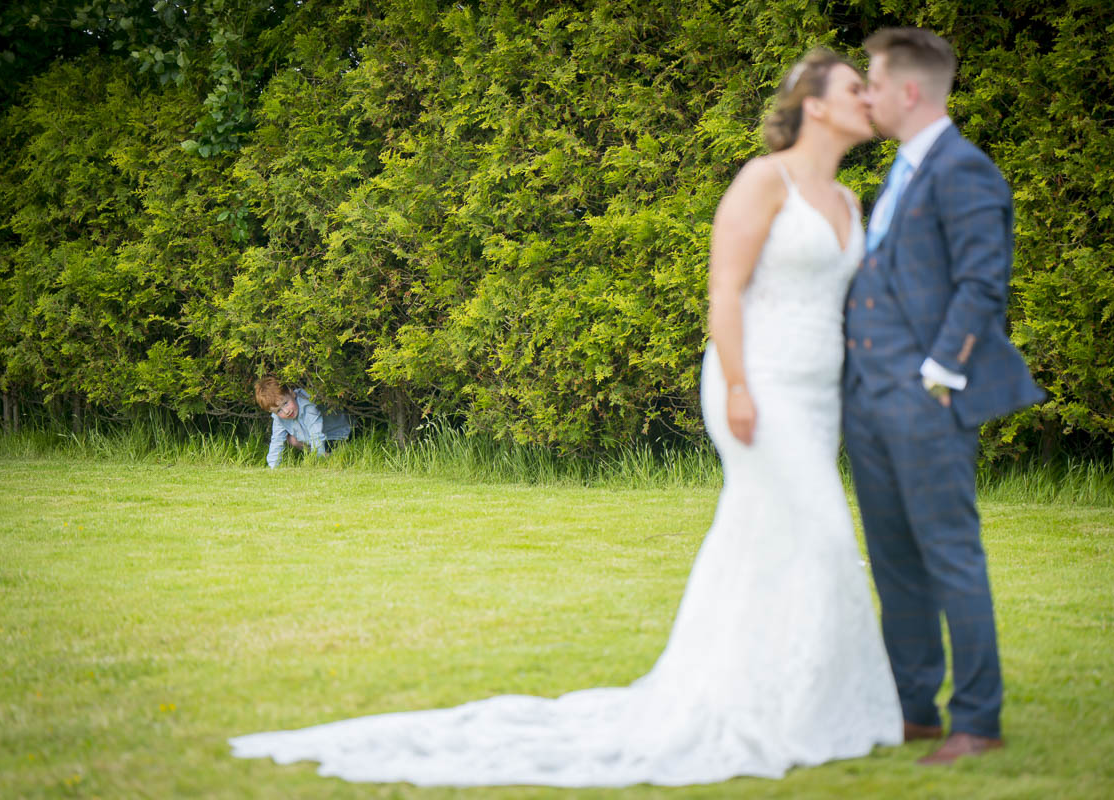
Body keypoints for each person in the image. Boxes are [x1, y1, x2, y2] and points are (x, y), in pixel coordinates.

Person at [228, 49, 903, 785]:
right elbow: (724, 292)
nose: (868, 99)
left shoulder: (846, 200)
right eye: (853, 88)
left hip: (817, 391)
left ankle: (794, 695)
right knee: (821, 526)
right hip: (756, 380)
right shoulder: (762, 181)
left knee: (788, 533)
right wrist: (740, 387)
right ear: (814, 104)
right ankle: (759, 701)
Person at [843, 28, 1044, 766]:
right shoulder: (898, 172)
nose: (864, 93)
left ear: (909, 90)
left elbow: (982, 286)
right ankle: (913, 711)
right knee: (895, 561)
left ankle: (978, 719)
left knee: (951, 557)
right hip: (867, 402)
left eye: (871, 80)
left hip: (924, 400)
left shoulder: (965, 171)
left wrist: (937, 379)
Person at [254, 376, 352, 469]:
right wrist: (273, 467)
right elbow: (277, 441)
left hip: (337, 435)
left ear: (291, 393)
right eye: (279, 410)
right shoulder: (278, 417)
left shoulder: (308, 406)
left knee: (322, 446)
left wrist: (318, 462)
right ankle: (324, 455)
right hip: (317, 439)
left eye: (286, 403)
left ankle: (326, 456)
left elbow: (317, 435)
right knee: (291, 439)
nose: (286, 411)